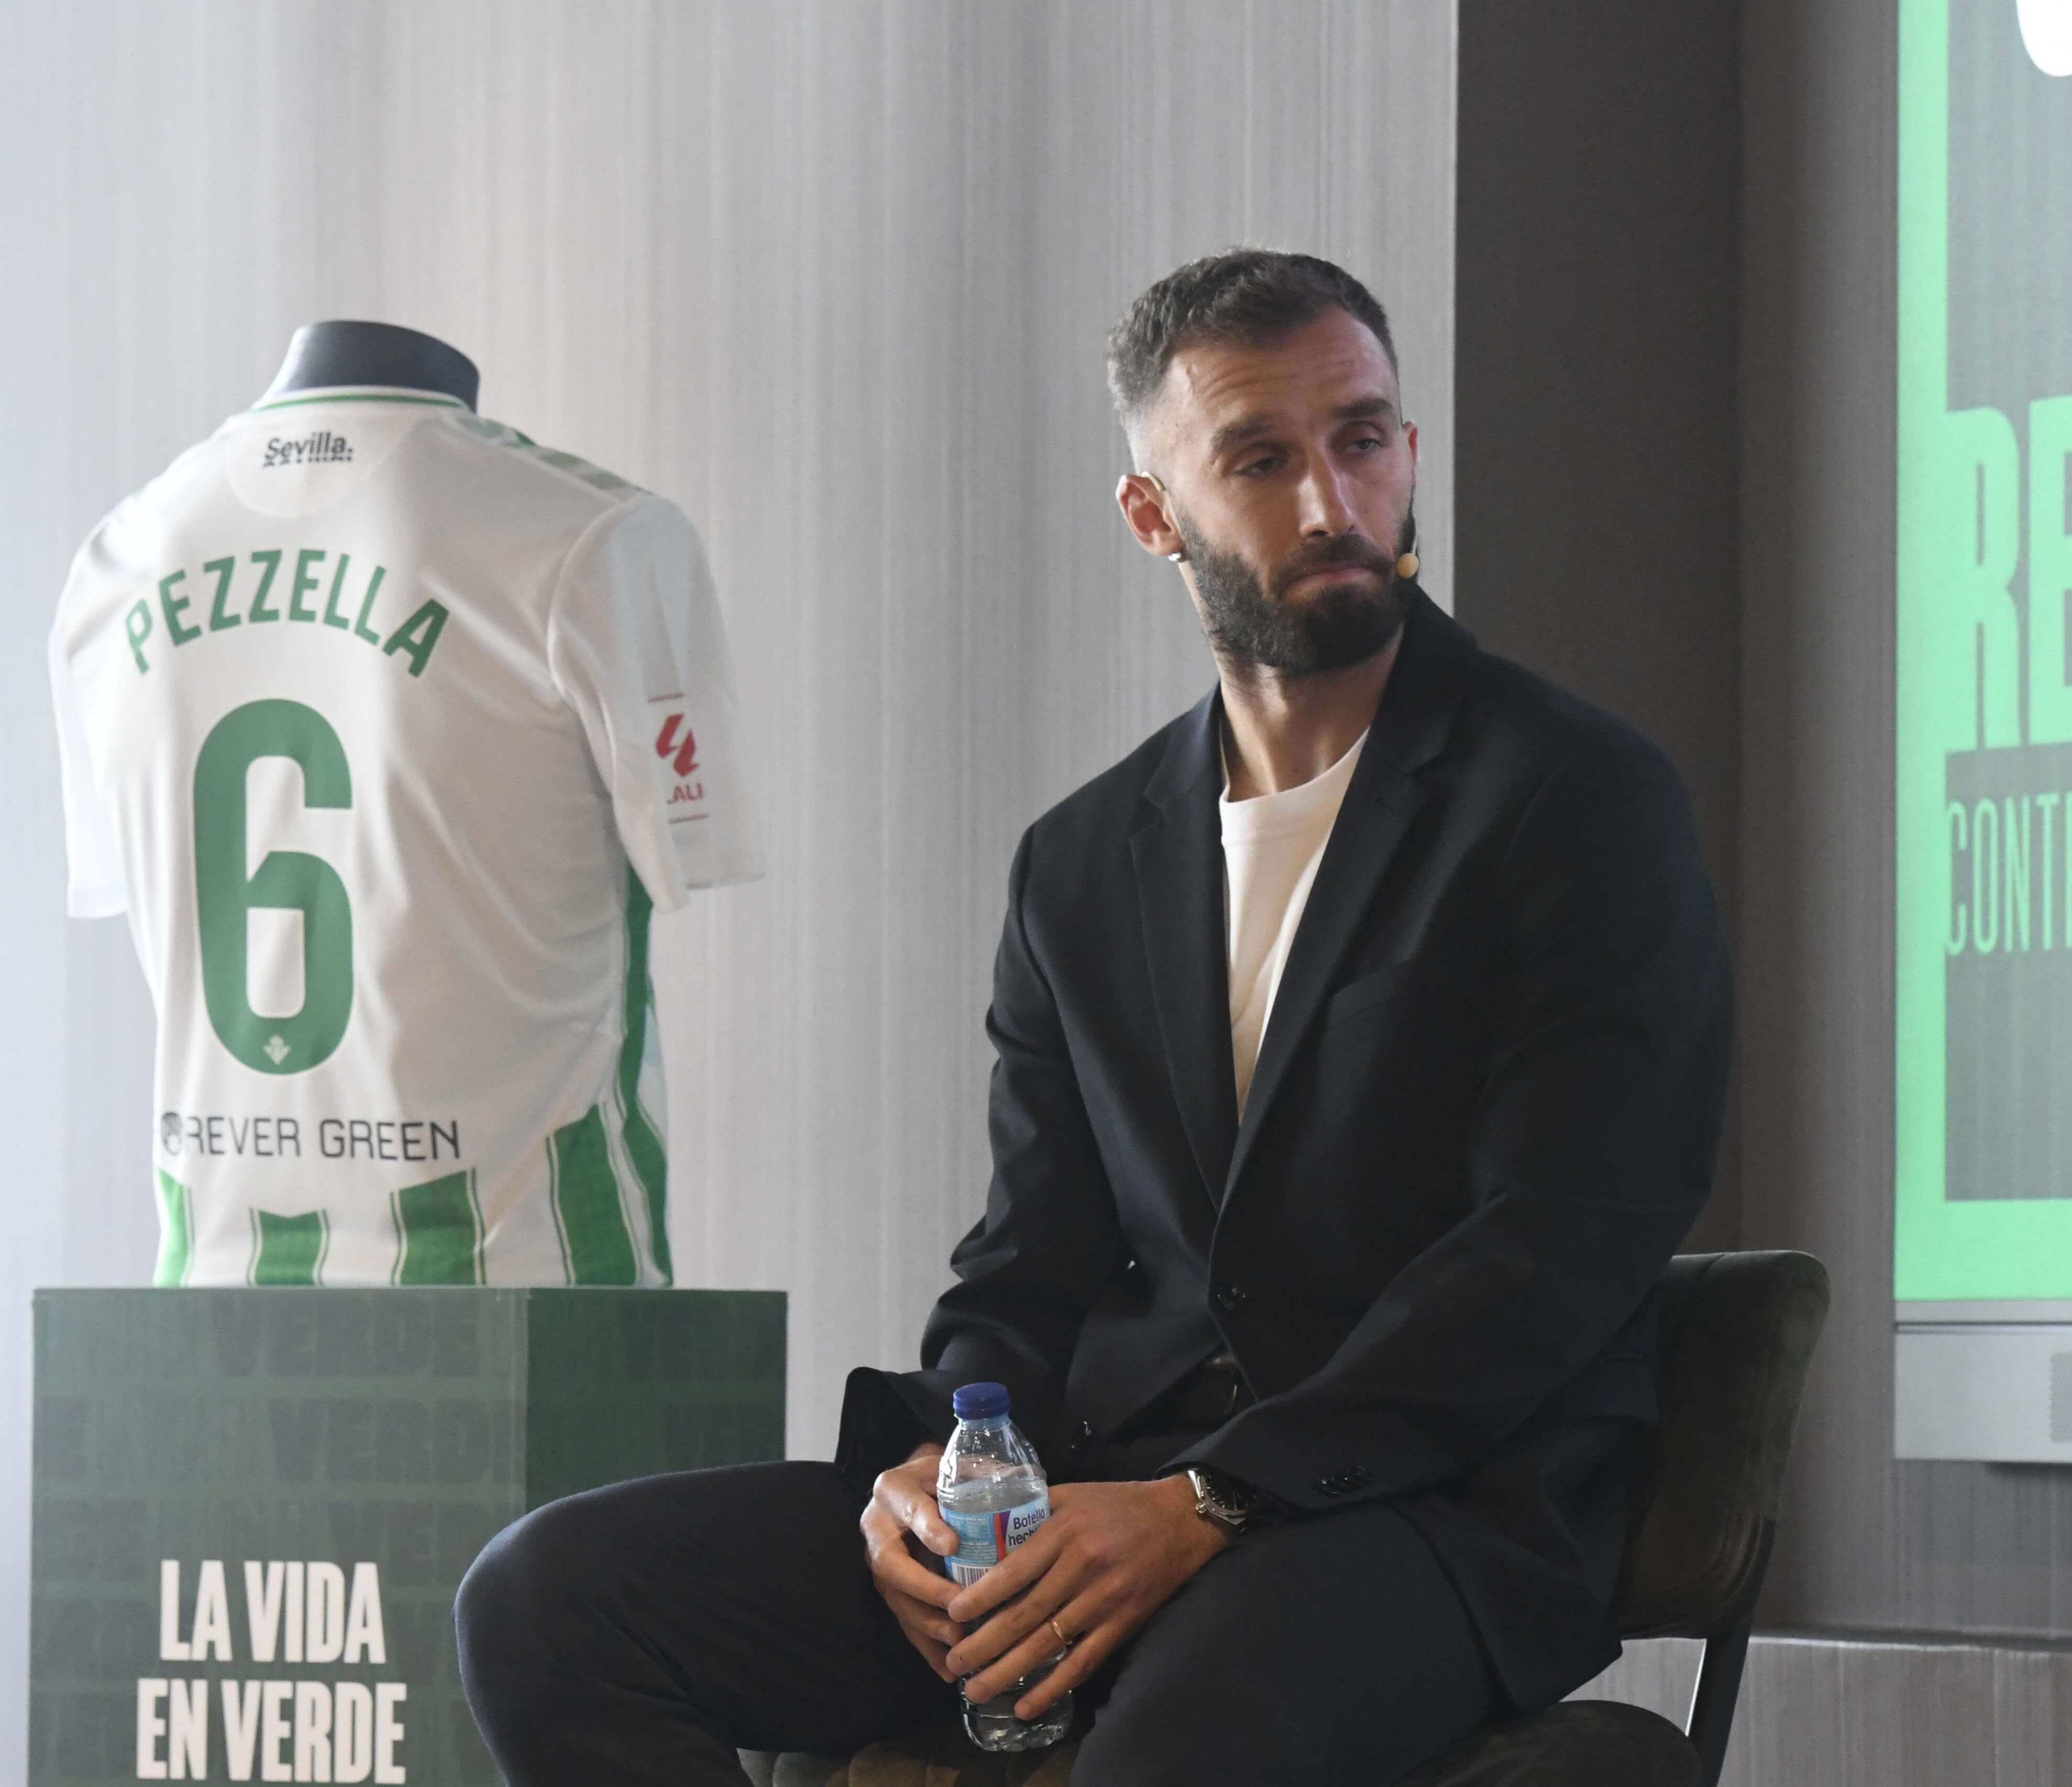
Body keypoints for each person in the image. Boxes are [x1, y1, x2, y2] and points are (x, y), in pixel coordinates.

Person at [455, 249, 1732, 1787]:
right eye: (1260, 458)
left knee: (1173, 1734)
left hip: (1436, 1511)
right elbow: (1031, 1257)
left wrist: (1211, 1506)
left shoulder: (1576, 800)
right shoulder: (1082, 860)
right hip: (1093, 1494)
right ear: (1155, 514)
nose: (1333, 501)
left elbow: (1554, 1248)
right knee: (545, 1605)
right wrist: (935, 1471)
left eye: (1366, 436)